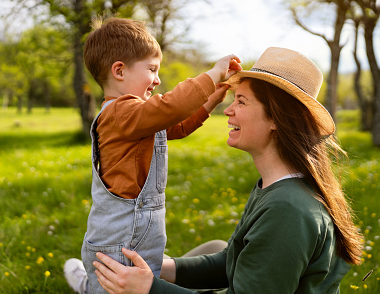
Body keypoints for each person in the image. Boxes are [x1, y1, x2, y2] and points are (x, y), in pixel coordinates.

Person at [89, 47, 364, 294]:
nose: (228, 111)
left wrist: (149, 288)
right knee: (216, 247)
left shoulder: (288, 210)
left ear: (277, 118)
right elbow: (230, 259)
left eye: (241, 101)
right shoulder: (277, 186)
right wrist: (164, 269)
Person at [64, 16, 242, 294]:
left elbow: (180, 123)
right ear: (119, 71)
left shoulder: (140, 117)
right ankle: (89, 286)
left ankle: (90, 284)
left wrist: (214, 95)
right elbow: (172, 107)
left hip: (139, 242)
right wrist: (211, 76)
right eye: (151, 69)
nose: (158, 80)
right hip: (118, 247)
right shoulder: (121, 113)